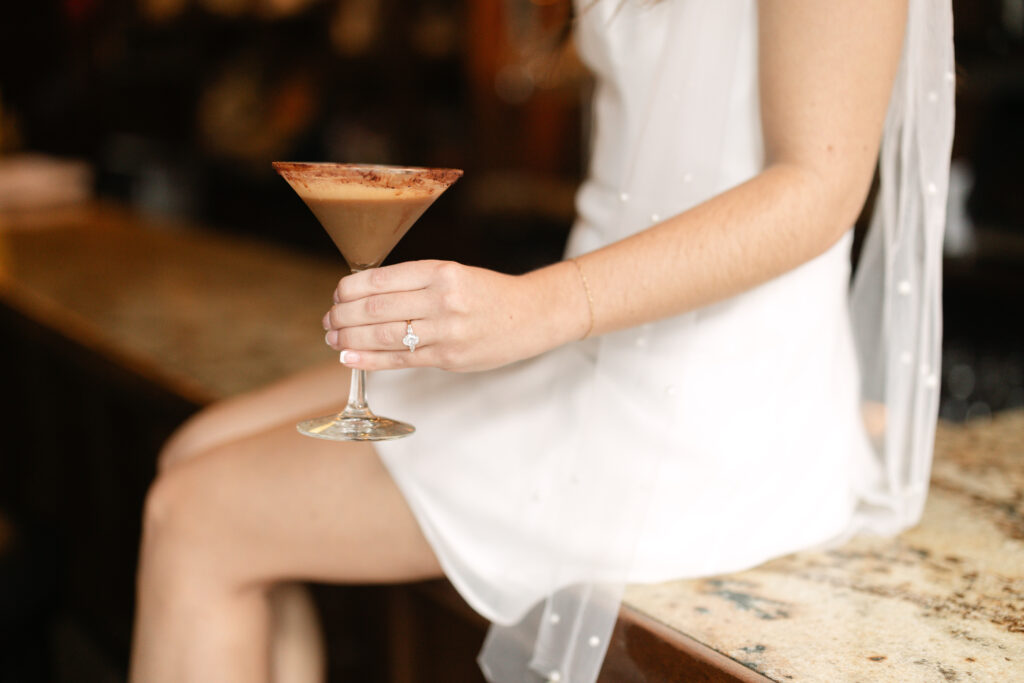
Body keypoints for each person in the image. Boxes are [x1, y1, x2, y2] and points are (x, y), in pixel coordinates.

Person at [129, 0, 954, 681]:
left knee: (194, 517)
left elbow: (818, 188)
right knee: (192, 450)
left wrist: (536, 310)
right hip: (581, 347)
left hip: (709, 404)